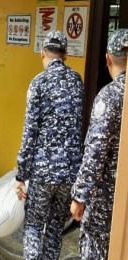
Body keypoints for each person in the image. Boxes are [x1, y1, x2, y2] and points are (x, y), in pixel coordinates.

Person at [15, 30, 84, 260]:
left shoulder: (38, 83)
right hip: (69, 174)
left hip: (43, 172)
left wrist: (20, 175)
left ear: (43, 53)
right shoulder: (76, 81)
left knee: (34, 226)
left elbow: (29, 133)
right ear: (65, 55)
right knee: (55, 229)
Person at [70, 28, 128, 260]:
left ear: (107, 58)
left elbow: (95, 152)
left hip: (106, 204)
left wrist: (79, 197)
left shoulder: (110, 96)